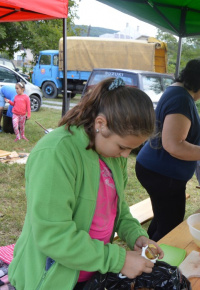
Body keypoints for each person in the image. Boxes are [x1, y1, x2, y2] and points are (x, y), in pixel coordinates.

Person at [8, 78, 164, 290]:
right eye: (123, 146)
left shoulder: (112, 154)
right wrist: (119, 260)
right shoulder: (56, 153)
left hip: (90, 273)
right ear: (100, 124)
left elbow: (117, 208)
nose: (126, 155)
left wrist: (135, 234)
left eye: (132, 149)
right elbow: (54, 236)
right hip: (48, 279)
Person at [135, 59, 200, 241]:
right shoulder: (182, 99)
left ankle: (144, 256)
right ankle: (151, 265)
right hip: (163, 174)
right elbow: (174, 145)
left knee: (162, 220)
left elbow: (171, 135)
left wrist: (199, 146)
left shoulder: (174, 91)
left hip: (156, 169)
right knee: (170, 226)